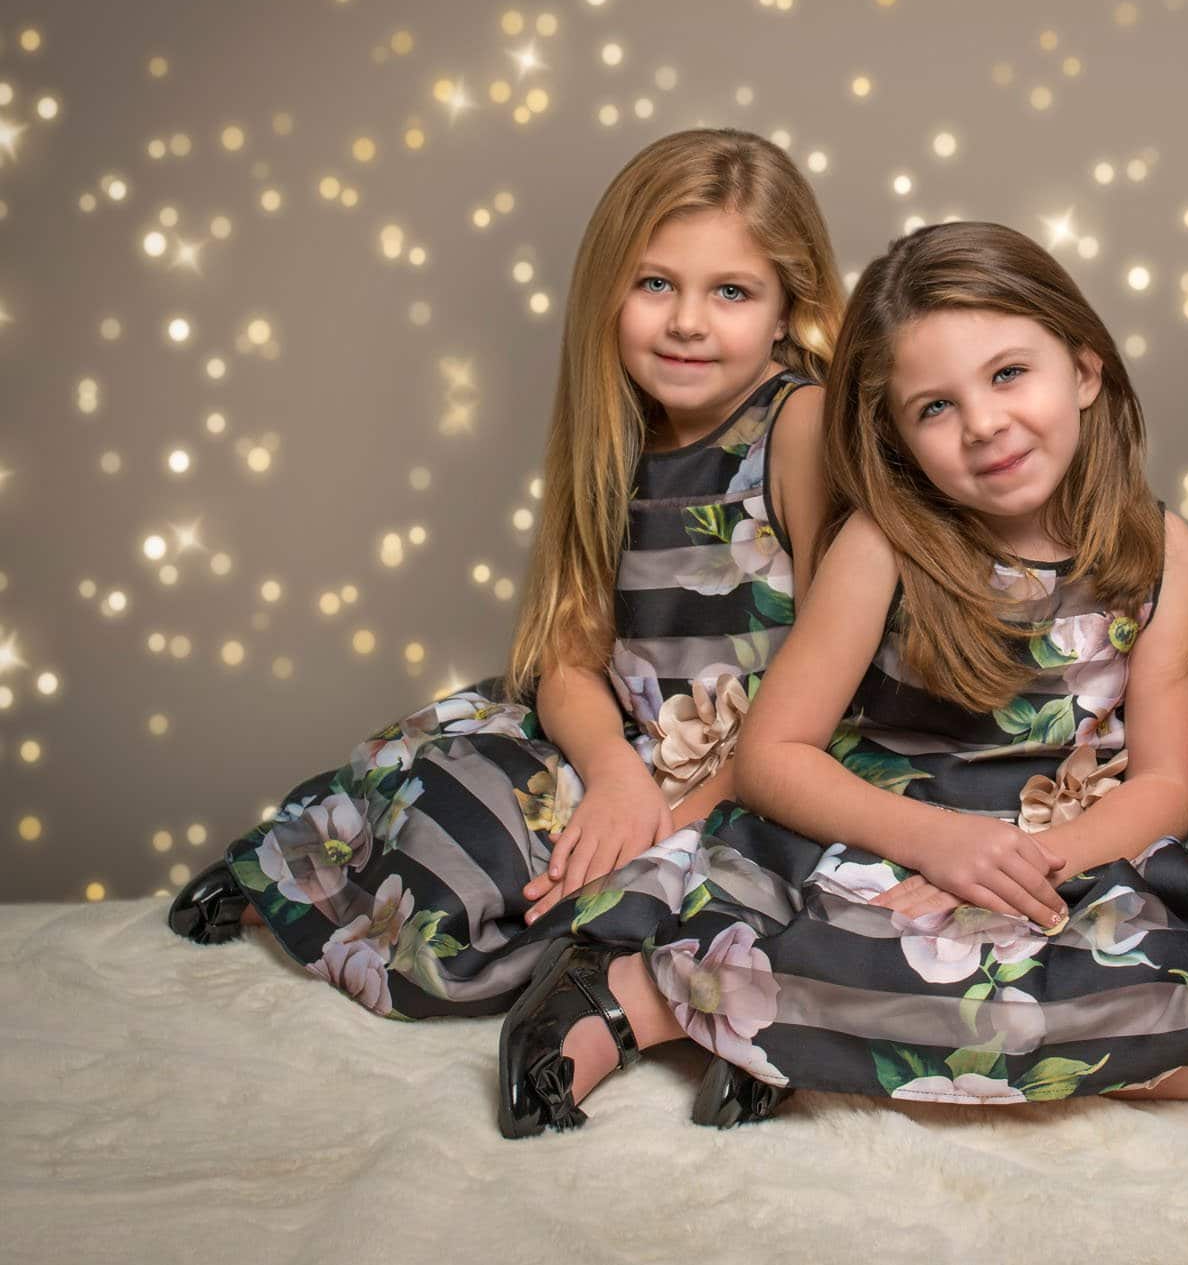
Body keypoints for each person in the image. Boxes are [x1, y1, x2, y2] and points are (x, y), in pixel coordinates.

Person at [495, 221, 1188, 1136]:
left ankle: (778, 1034)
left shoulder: (1157, 547)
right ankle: (628, 996)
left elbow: (1168, 783)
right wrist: (939, 844)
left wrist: (1030, 862)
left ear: (1085, 371)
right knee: (844, 933)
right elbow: (774, 756)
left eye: (1010, 374)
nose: (985, 425)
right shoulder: (884, 545)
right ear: (895, 435)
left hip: (1057, 854)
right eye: (934, 407)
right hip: (887, 843)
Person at [165, 129, 843, 1019]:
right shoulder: (616, 432)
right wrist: (612, 774)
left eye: (730, 291)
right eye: (655, 284)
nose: (686, 320)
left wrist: (680, 813)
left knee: (672, 895)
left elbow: (848, 668)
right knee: (452, 799)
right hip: (622, 749)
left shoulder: (800, 425)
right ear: (608, 291)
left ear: (788, 305)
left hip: (769, 768)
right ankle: (290, 874)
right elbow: (567, 650)